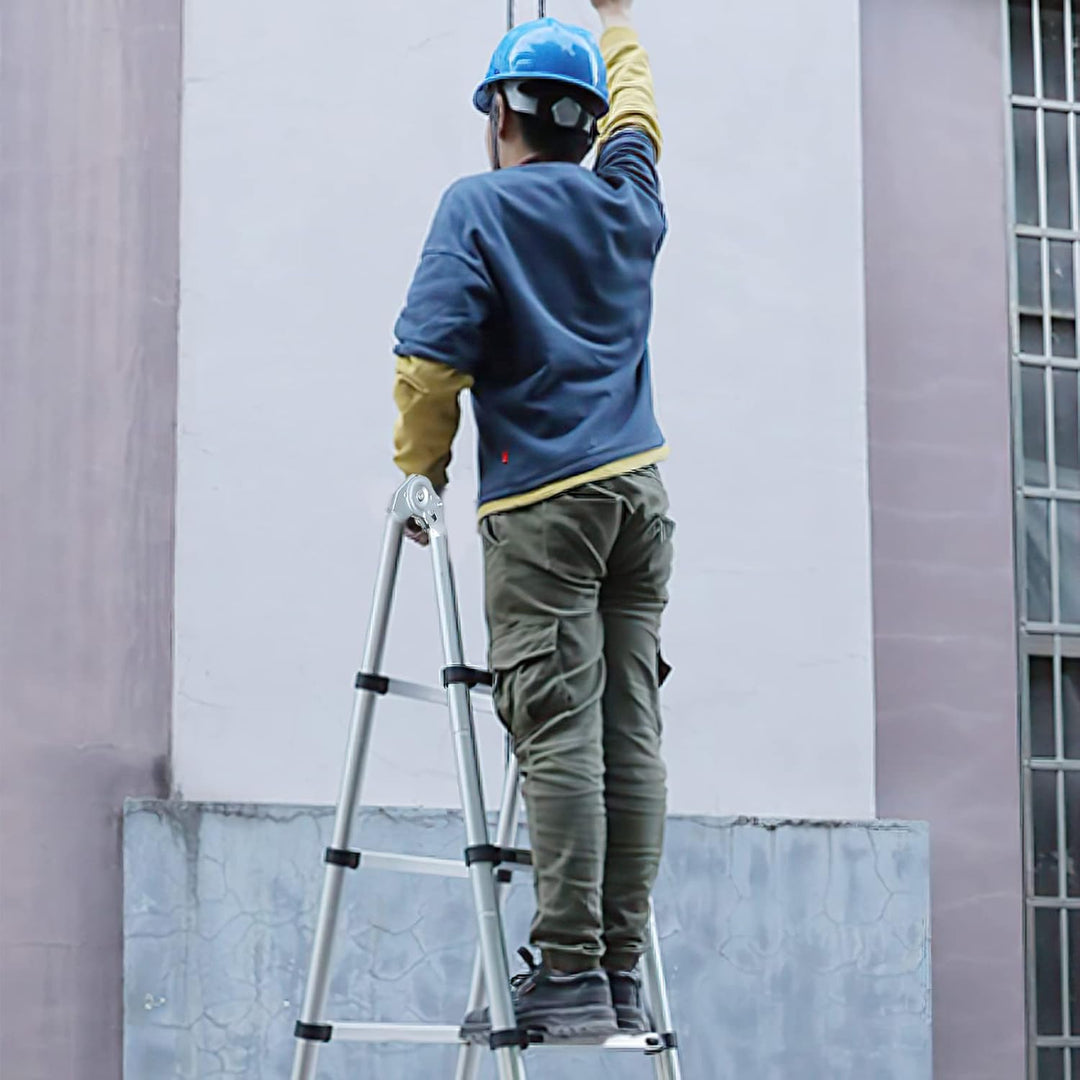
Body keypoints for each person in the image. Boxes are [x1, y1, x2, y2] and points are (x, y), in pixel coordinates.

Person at [391, 0, 673, 1043]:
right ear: (586, 123)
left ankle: (566, 971)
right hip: (640, 497)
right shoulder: (627, 200)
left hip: (544, 503)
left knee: (557, 732)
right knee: (627, 730)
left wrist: (420, 474)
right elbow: (640, 116)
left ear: (500, 115)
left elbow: (430, 366)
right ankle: (620, 972)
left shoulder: (478, 208)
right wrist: (617, 19)